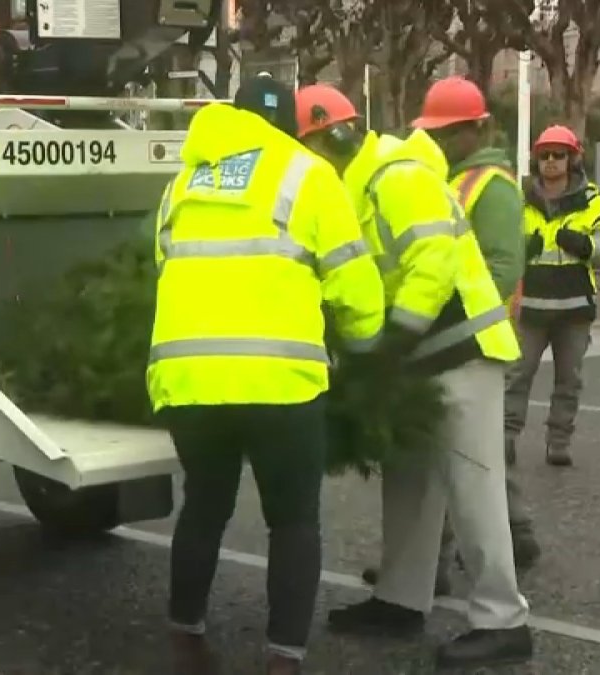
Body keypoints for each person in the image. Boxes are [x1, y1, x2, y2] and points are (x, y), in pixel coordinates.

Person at [150, 76, 385, 675]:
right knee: (293, 520)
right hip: (280, 382)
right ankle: (283, 658)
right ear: (289, 124)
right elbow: (351, 279)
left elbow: (164, 261)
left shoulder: (184, 181)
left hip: (189, 380)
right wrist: (365, 345)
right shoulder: (308, 174)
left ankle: (184, 638)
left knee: (203, 505)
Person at [294, 83, 533, 669]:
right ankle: (401, 600)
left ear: (337, 136)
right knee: (410, 483)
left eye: (307, 148)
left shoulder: (395, 175)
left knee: (474, 489)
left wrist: (395, 336)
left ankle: (504, 620)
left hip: (460, 351)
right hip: (424, 354)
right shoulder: (356, 186)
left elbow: (433, 259)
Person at [357, 76, 541, 595]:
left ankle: (502, 604)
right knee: (419, 476)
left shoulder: (493, 184)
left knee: (476, 479)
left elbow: (503, 264)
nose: (443, 141)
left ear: (479, 128)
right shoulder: (437, 176)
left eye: (454, 132)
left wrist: (460, 312)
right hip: (434, 344)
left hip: (465, 338)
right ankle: (408, 590)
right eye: (436, 132)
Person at [505, 125, 600, 467]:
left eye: (559, 154)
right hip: (529, 308)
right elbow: (500, 240)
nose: (552, 161)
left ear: (572, 159)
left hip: (574, 310)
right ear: (536, 159)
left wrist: (588, 247)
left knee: (569, 380)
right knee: (517, 376)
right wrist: (520, 250)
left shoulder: (591, 200)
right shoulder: (519, 200)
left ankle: (559, 442)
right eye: (545, 155)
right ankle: (505, 439)